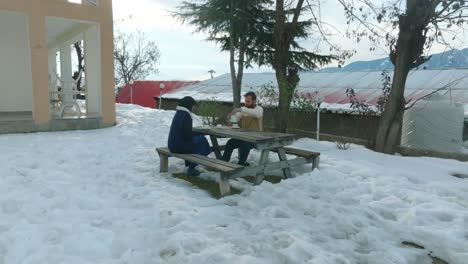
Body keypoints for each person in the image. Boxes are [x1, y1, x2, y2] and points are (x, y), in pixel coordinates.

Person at [168, 96, 211, 176]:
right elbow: (188, 135)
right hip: (178, 146)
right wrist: (201, 133)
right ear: (189, 105)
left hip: (172, 145)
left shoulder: (179, 113)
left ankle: (190, 165)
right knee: (202, 140)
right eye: (194, 106)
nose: (195, 108)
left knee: (197, 140)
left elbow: (185, 132)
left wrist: (196, 134)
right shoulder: (187, 115)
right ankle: (192, 168)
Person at [221, 92, 263, 166]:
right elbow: (235, 119)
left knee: (244, 145)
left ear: (254, 101)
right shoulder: (244, 110)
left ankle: (241, 164)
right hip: (244, 137)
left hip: (256, 138)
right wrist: (231, 116)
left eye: (248, 101)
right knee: (230, 142)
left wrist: (240, 109)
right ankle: (224, 162)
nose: (246, 103)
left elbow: (256, 114)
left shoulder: (259, 109)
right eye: (245, 101)